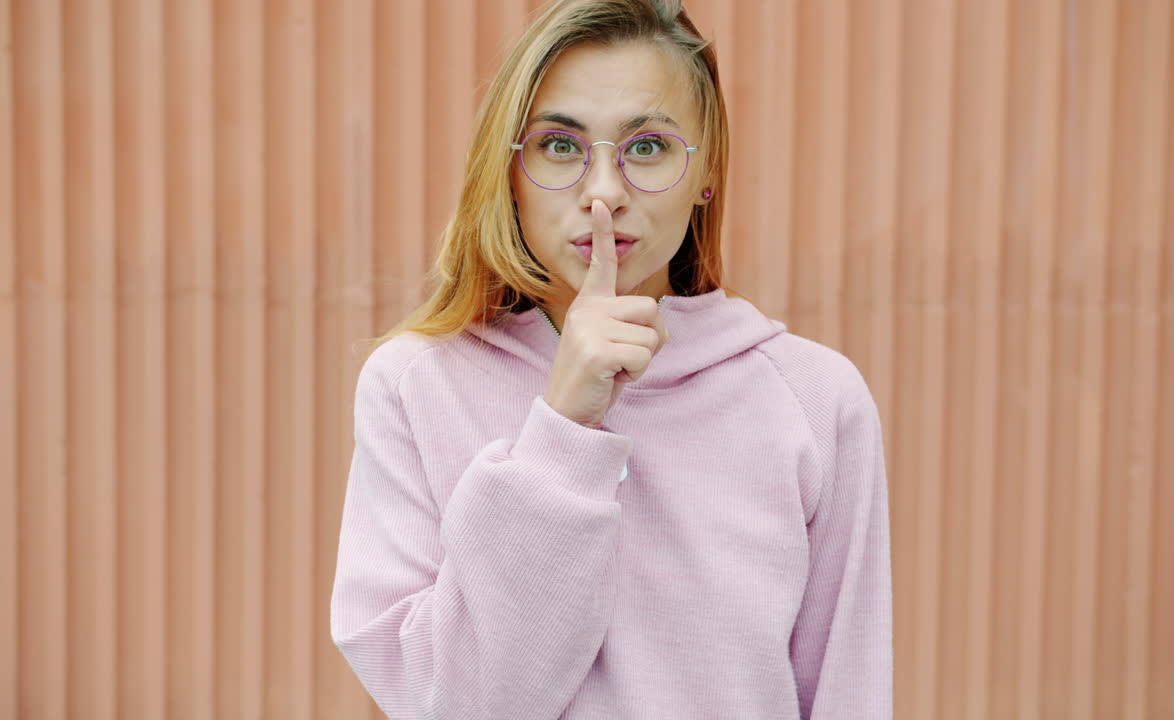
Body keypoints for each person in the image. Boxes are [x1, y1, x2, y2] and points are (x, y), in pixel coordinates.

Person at [329, 0, 892, 717]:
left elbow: (849, 691)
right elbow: (458, 704)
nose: (603, 194)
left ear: (706, 171)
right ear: (510, 171)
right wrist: (562, 430)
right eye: (560, 146)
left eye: (649, 146)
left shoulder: (816, 400)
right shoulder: (415, 385)